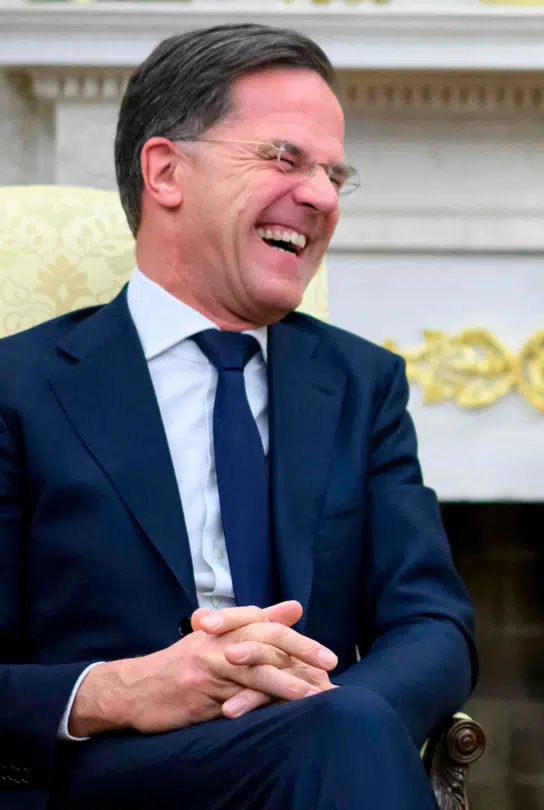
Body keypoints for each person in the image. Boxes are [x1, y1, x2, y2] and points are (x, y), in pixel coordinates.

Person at [0, 23, 477, 810]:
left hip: (317, 754)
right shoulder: (18, 389)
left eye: (333, 173)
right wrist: (122, 690)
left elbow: (432, 623)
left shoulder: (362, 385)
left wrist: (332, 709)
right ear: (166, 172)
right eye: (285, 158)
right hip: (105, 778)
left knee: (346, 735)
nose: (322, 195)